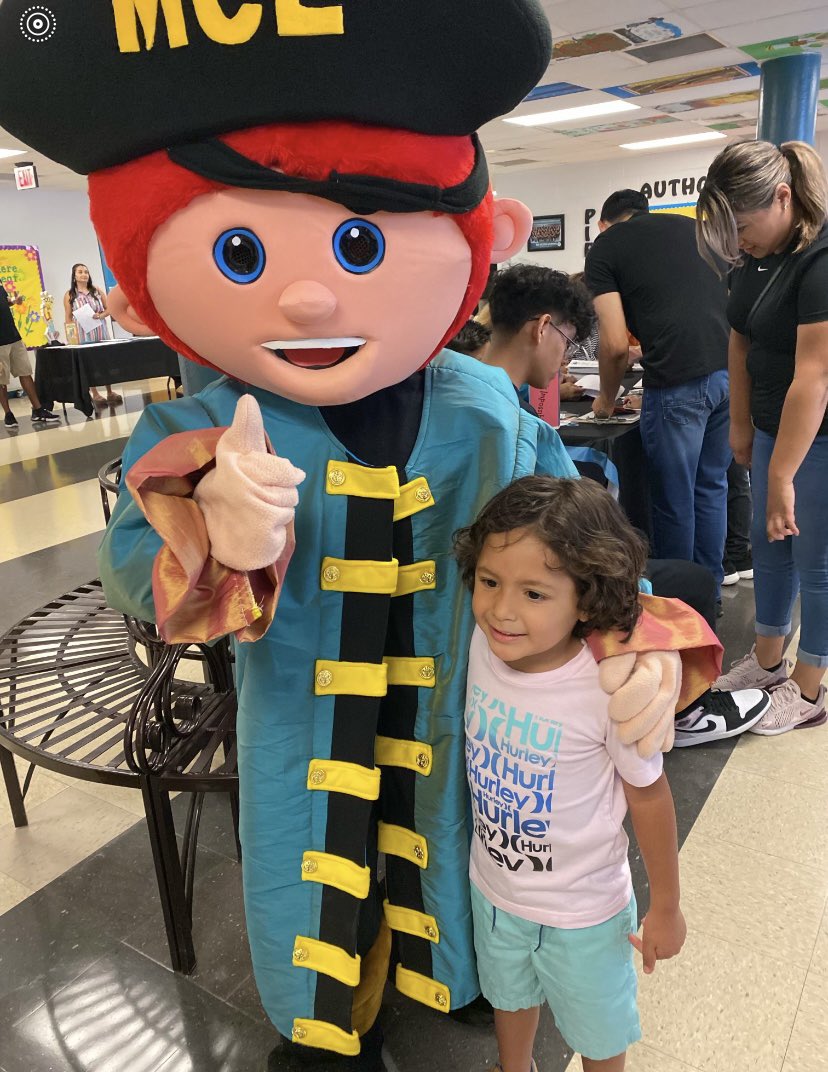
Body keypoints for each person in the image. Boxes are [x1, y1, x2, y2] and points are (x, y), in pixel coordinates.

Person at [0, 4, 724, 1067]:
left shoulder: (484, 408)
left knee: (453, 856)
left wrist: (647, 648)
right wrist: (204, 524)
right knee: (315, 879)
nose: (305, 291)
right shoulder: (198, 426)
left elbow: (592, 541)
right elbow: (128, 571)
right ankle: (330, 1014)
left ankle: (465, 968)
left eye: (357, 241)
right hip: (298, 732)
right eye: (242, 249)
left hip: (469, 723)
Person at [454, 476, 687, 1072]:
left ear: (585, 599)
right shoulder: (483, 647)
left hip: (585, 913)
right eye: (489, 582)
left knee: (600, 1033)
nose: (502, 610)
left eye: (535, 594)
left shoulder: (605, 686)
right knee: (509, 999)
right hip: (495, 889)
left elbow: (650, 795)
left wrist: (666, 906)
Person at [482, 265, 770, 746]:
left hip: (526, 564)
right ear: (542, 328)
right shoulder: (512, 420)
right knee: (692, 581)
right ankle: (682, 712)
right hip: (547, 569)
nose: (564, 360)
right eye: (568, 344)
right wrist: (622, 578)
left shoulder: (479, 390)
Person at [697, 139, 828, 733]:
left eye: (744, 228)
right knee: (766, 542)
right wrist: (743, 425)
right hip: (774, 424)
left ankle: (809, 686)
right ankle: (770, 658)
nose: (739, 244)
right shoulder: (754, 261)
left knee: (813, 554)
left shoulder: (819, 260)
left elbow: (814, 375)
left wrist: (780, 476)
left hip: (818, 430)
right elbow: (740, 340)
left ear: (783, 198)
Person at [585, 190, 731, 596]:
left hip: (678, 381)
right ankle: (708, 593)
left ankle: (679, 605)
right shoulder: (695, 230)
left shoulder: (607, 246)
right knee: (711, 487)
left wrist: (605, 400)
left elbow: (613, 343)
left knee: (673, 498)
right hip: (727, 374)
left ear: (605, 223)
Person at [63, 263, 122, 407]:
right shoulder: (70, 295)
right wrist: (72, 338)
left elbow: (110, 309)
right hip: (83, 334)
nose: (84, 274)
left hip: (100, 331)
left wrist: (100, 315)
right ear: (74, 276)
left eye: (86, 272)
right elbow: (68, 318)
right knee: (89, 363)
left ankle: (109, 391)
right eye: (80, 272)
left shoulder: (96, 291)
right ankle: (94, 392)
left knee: (104, 360)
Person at [0, 290, 60, 427]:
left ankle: (38, 410)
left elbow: (4, 302)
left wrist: (14, 301)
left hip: (14, 337)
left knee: (25, 372)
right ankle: (8, 414)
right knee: (1, 380)